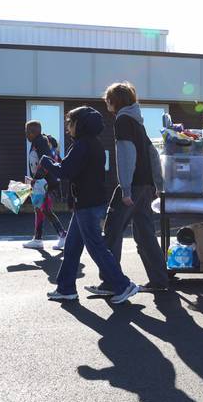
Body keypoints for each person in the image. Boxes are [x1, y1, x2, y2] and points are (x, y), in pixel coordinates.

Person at [39, 106, 139, 304]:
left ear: (80, 124)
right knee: (72, 247)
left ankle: (123, 285)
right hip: (89, 202)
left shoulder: (82, 145)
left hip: (87, 204)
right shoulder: (94, 144)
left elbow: (65, 171)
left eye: (71, 123)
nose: (68, 127)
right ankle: (66, 288)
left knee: (95, 247)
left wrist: (46, 162)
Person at [83, 82, 168, 296]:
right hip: (146, 185)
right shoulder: (138, 121)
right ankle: (159, 280)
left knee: (111, 231)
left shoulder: (122, 120)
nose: (106, 103)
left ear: (115, 101)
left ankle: (112, 283)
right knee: (145, 234)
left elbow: (126, 154)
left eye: (108, 99)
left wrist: (126, 189)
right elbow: (153, 154)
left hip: (134, 186)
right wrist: (158, 184)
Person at [23, 120, 67, 250]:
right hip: (43, 182)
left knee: (45, 209)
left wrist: (36, 179)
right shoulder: (38, 141)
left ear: (32, 131)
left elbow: (46, 160)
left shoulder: (40, 142)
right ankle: (37, 239)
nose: (26, 135)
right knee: (39, 209)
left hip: (45, 182)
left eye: (27, 132)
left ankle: (63, 235)